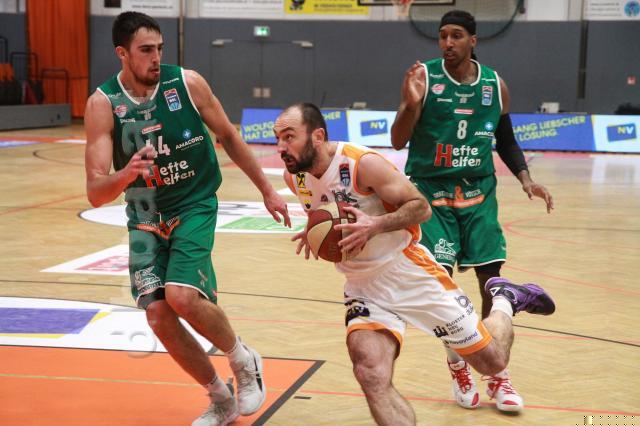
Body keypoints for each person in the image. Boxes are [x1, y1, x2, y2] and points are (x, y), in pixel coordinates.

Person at [275, 102, 555, 425]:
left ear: (317, 136)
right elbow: (328, 209)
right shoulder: (295, 177)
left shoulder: (361, 164)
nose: (281, 146)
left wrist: (375, 225)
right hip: (362, 287)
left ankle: (505, 299)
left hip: (408, 271)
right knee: (369, 372)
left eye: (289, 137)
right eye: (277, 138)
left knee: (492, 362)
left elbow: (421, 208)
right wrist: (315, 233)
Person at [84, 11, 291, 426]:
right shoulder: (102, 104)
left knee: (181, 296)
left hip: (193, 202)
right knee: (158, 314)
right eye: (146, 50)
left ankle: (243, 359)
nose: (156, 57)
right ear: (122, 53)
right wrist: (126, 174)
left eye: (160, 48)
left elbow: (229, 136)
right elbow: (95, 190)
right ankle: (220, 398)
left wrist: (267, 190)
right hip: (145, 215)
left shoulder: (187, 83)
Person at [390, 10, 555, 413]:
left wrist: (526, 178)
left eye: (456, 35)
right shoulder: (424, 78)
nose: (447, 43)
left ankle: (497, 374)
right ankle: (458, 363)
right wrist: (409, 105)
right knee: (442, 289)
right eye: (443, 36)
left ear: (473, 41)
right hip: (431, 195)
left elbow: (506, 140)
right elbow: (396, 141)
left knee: (491, 284)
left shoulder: (495, 85)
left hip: (479, 192)